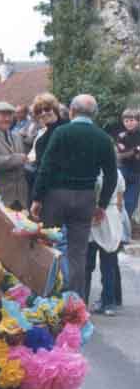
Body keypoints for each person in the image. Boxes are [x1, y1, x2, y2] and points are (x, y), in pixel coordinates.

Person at [31, 94, 117, 299]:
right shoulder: (103, 138)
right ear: (95, 114)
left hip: (56, 197)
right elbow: (111, 177)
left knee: (48, 247)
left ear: (71, 111)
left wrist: (37, 197)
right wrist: (102, 204)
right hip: (86, 198)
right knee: (78, 253)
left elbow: (46, 167)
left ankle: (47, 298)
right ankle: (75, 304)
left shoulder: (61, 132)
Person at [85, 169, 125, 316]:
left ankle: (82, 303)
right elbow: (120, 201)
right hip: (111, 218)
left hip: (92, 217)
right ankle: (109, 303)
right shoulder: (117, 173)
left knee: (87, 266)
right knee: (109, 265)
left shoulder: (90, 171)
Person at [25, 93, 67, 198]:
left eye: (47, 109)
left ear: (55, 109)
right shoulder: (41, 140)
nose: (43, 113)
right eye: (39, 111)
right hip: (51, 192)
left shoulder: (70, 129)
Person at [114, 108, 140, 222]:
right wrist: (136, 150)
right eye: (126, 121)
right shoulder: (121, 136)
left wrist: (131, 152)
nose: (129, 123)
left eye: (132, 120)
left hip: (137, 171)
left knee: (131, 201)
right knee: (118, 198)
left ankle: (125, 224)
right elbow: (122, 155)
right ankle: (117, 223)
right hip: (123, 169)